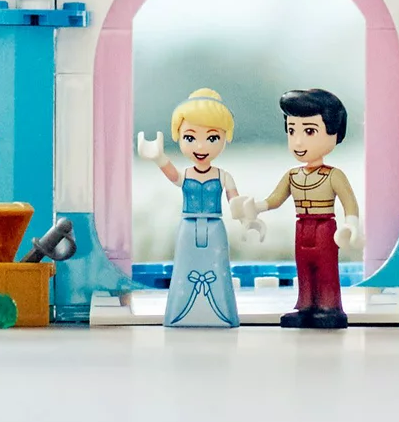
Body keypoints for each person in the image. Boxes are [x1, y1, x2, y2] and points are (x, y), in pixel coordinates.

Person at [234, 88, 360, 329]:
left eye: (309, 131)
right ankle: (305, 305)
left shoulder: (333, 175)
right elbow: (275, 199)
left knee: (326, 268)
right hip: (302, 226)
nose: (298, 141)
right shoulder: (293, 175)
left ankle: (329, 307)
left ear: (334, 132)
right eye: (292, 131)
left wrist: (351, 225)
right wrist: (256, 208)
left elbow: (349, 203)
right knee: (304, 267)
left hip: (324, 227)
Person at [138, 87, 241, 329]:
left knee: (218, 270)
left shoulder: (223, 176)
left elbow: (235, 201)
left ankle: (223, 314)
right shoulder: (185, 174)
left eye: (212, 138)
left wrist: (247, 216)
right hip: (187, 227)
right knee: (185, 269)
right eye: (190, 138)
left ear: (224, 138)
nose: (201, 146)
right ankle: (180, 314)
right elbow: (173, 175)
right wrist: (158, 157)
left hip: (215, 228)